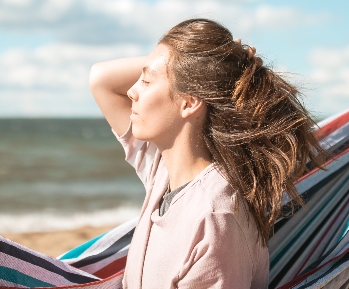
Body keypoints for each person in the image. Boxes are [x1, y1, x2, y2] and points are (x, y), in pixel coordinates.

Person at [89, 18, 327, 288]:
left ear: (189, 103)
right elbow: (101, 79)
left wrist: (187, 67)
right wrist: (209, 64)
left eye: (145, 80)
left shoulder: (214, 219)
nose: (132, 90)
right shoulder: (162, 169)